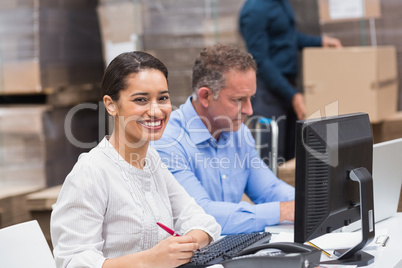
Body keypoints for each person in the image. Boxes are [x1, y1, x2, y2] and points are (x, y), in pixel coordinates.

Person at [50, 51, 221, 268]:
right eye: (141, 100)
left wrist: (183, 246)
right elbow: (73, 261)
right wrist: (149, 260)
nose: (156, 111)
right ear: (111, 105)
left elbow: (203, 221)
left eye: (163, 98)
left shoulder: (151, 161)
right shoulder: (91, 171)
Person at [153, 44, 295, 235]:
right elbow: (202, 216)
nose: (249, 110)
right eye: (238, 100)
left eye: (250, 98)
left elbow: (269, 189)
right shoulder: (168, 143)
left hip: (227, 248)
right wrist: (282, 211)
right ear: (205, 96)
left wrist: (307, 201)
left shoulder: (238, 133)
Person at [239, 0, 342, 162]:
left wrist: (320, 42)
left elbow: (288, 38)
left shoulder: (281, 3)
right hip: (269, 92)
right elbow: (260, 61)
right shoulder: (254, 10)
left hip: (289, 88)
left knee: (293, 159)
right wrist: (293, 95)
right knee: (271, 158)